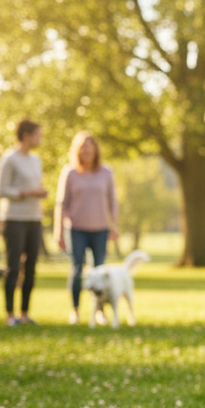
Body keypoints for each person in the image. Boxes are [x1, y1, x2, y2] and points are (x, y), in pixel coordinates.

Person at [54, 131, 119, 325]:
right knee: (77, 269)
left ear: (96, 150)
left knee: (100, 270)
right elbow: (62, 203)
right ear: (77, 151)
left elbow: (112, 201)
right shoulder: (70, 172)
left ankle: (99, 311)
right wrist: (59, 230)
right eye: (82, 147)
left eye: (90, 146)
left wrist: (114, 225)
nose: (86, 150)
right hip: (76, 229)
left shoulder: (106, 172)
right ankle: (75, 310)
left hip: (100, 228)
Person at [0, 118, 47, 326]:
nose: (39, 139)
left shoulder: (36, 160)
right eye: (38, 135)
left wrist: (40, 193)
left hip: (34, 218)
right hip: (14, 219)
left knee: (31, 266)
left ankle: (24, 313)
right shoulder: (9, 159)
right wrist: (27, 193)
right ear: (26, 135)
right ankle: (9, 314)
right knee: (13, 266)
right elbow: (0, 190)